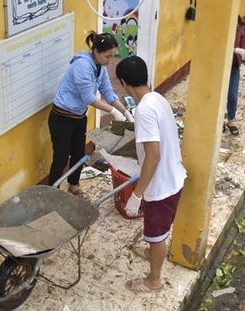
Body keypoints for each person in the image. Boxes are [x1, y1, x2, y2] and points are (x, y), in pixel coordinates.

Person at [115, 56, 187, 293]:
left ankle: (153, 280)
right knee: (157, 231)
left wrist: (137, 195)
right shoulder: (156, 98)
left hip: (162, 185)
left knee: (156, 235)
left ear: (124, 83)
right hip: (172, 174)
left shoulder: (144, 110)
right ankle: (153, 252)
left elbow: (153, 156)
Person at [48, 31, 133, 201]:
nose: (110, 61)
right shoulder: (82, 66)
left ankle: (73, 185)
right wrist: (112, 111)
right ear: (96, 51)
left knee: (79, 154)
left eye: (113, 57)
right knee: (61, 157)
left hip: (79, 117)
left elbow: (108, 92)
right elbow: (88, 98)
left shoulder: (99, 67)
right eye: (108, 56)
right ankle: (51, 192)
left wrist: (125, 111)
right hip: (62, 118)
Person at [226, 15, 245, 136]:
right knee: (217, 96)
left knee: (232, 96)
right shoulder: (222, 23)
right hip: (218, 66)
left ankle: (230, 120)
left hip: (233, 66)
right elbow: (219, 43)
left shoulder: (243, 25)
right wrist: (235, 50)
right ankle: (219, 120)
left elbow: (244, 43)